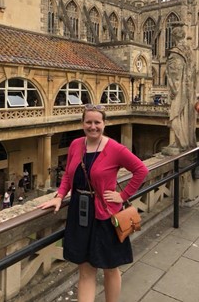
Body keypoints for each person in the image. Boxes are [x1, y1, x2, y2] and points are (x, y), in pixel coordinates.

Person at [38, 104, 149, 302]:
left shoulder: (115, 148)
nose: (93, 126)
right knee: (86, 269)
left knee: (110, 267)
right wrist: (59, 196)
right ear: (82, 123)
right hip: (80, 214)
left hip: (105, 215)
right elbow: (68, 176)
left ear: (104, 123)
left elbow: (141, 170)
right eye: (88, 122)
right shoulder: (75, 145)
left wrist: (122, 196)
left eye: (97, 122)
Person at [166, 25, 197, 150]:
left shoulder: (176, 53)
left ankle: (181, 143)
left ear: (174, 37)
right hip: (190, 92)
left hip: (181, 93)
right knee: (188, 116)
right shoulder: (190, 52)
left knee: (177, 115)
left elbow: (175, 76)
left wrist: (173, 90)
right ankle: (186, 141)